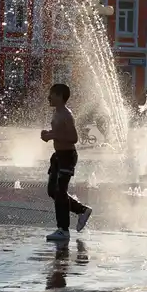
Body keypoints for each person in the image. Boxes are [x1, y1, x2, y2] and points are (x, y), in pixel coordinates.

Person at [42, 83, 93, 242]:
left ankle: (63, 230)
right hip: (58, 155)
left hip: (67, 156)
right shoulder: (57, 113)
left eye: (51, 94)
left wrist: (52, 136)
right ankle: (81, 210)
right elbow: (60, 133)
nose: (48, 97)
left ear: (60, 96)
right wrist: (49, 134)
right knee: (53, 191)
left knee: (60, 191)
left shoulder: (66, 114)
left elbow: (73, 138)